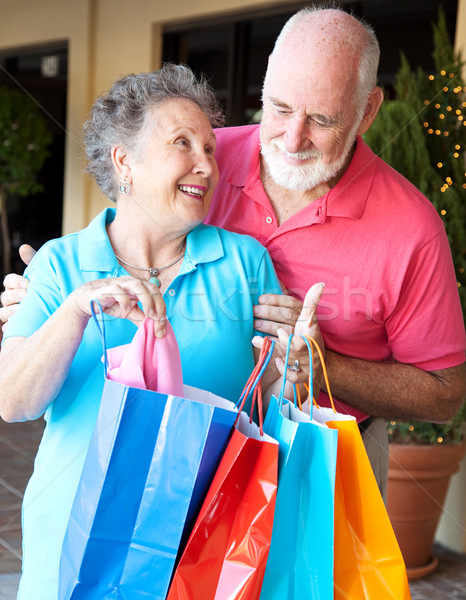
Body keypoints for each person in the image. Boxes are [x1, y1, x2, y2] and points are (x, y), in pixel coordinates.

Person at [2, 7, 466, 495]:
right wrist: (50, 296)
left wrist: (323, 369)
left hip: (325, 447)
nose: (292, 137)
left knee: (307, 573)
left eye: (322, 119)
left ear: (368, 111)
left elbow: (443, 395)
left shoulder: (412, 228)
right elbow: (125, 228)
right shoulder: (206, 157)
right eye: (280, 109)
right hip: (184, 457)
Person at [0, 64, 300, 599]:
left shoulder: (246, 264)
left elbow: (274, 402)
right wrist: (73, 311)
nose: (204, 164)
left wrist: (297, 362)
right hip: (73, 548)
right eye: (182, 143)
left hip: (202, 552)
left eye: (210, 148)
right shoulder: (59, 265)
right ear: (125, 162)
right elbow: (13, 400)